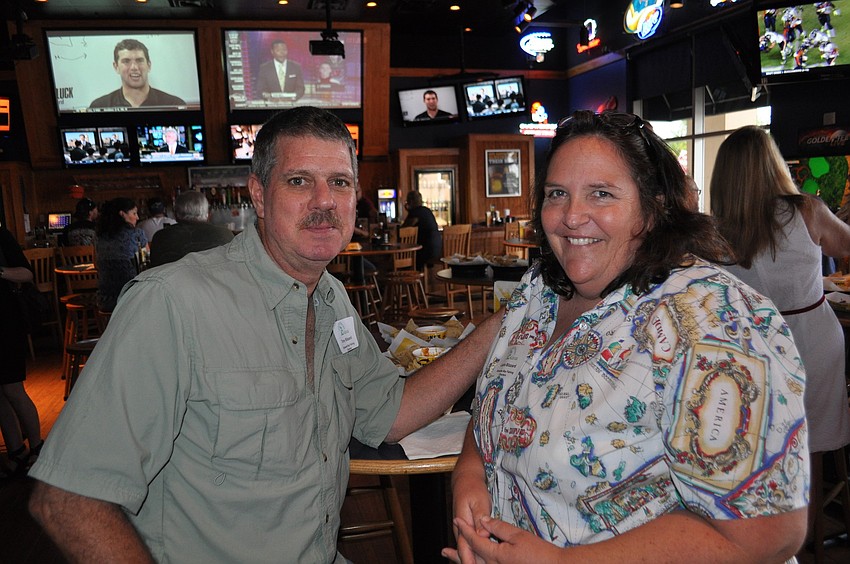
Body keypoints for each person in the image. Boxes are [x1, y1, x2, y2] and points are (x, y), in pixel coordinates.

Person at [28, 106, 498, 563]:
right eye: (299, 181)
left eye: (340, 182)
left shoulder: (332, 298)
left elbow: (390, 414)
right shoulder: (171, 302)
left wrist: (497, 327)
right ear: (258, 194)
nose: (324, 201)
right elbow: (68, 499)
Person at [443, 111, 809, 563]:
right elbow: (494, 408)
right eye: (558, 194)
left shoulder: (712, 319)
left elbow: (767, 531)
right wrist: (470, 476)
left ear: (654, 209)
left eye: (601, 194)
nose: (572, 216)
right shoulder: (539, 290)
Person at [709, 125, 850, 529]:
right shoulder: (807, 209)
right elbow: (846, 245)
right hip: (811, 337)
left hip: (749, 346)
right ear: (771, 164)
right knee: (814, 440)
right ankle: (813, 531)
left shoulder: (713, 231)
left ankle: (764, 529)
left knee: (757, 440)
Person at [0, 227, 44, 478]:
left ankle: (37, 446)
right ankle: (16, 451)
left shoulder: (2, 236)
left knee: (13, 389)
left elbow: (27, 273)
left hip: (7, 320)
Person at [89, 39, 186, 109]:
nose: (134, 67)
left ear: (149, 65)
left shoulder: (174, 105)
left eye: (139, 60)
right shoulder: (100, 106)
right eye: (126, 61)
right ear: (116, 67)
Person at [148, 191, 234, 268]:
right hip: (215, 285)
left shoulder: (160, 237)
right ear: (208, 214)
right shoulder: (225, 235)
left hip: (174, 285)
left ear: (175, 214)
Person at [94, 197, 148, 312]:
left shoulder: (99, 237)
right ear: (122, 214)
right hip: (130, 298)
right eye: (134, 213)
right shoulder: (137, 234)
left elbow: (96, 265)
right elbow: (147, 263)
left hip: (105, 299)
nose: (137, 217)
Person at [401, 190, 442, 270]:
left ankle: (407, 279)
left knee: (405, 257)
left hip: (426, 252)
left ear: (411, 202)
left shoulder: (415, 212)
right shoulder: (427, 210)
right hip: (437, 250)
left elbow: (404, 229)